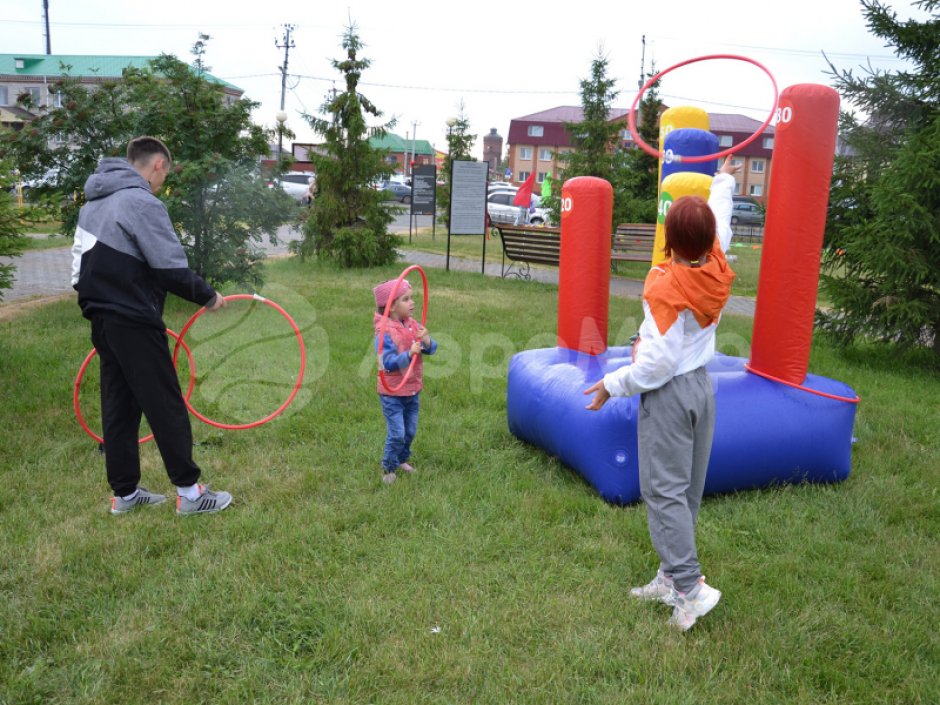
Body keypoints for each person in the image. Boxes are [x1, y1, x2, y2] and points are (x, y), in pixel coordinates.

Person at [583, 159, 741, 630]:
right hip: (701, 390)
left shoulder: (667, 288)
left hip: (671, 395)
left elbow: (657, 364)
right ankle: (672, 577)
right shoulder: (715, 260)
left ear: (668, 241)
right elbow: (722, 220)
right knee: (685, 490)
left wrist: (612, 385)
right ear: (707, 239)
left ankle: (691, 589)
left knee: (663, 491)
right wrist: (724, 181)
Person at [72, 136, 233, 516]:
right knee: (164, 404)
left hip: (101, 318)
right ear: (158, 164)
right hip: (132, 319)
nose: (163, 180)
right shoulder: (141, 201)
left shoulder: (93, 204)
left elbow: (77, 272)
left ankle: (125, 494)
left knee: (120, 405)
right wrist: (209, 296)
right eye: (166, 172)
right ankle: (191, 494)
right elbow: (169, 268)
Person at [372, 278, 437, 485]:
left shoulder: (412, 324)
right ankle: (388, 467)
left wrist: (427, 341)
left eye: (412, 298)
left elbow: (430, 348)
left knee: (410, 430)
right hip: (392, 394)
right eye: (406, 299)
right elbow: (387, 363)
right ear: (391, 307)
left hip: (412, 390)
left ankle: (401, 459)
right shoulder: (383, 333)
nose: (412, 303)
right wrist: (409, 354)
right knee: (397, 433)